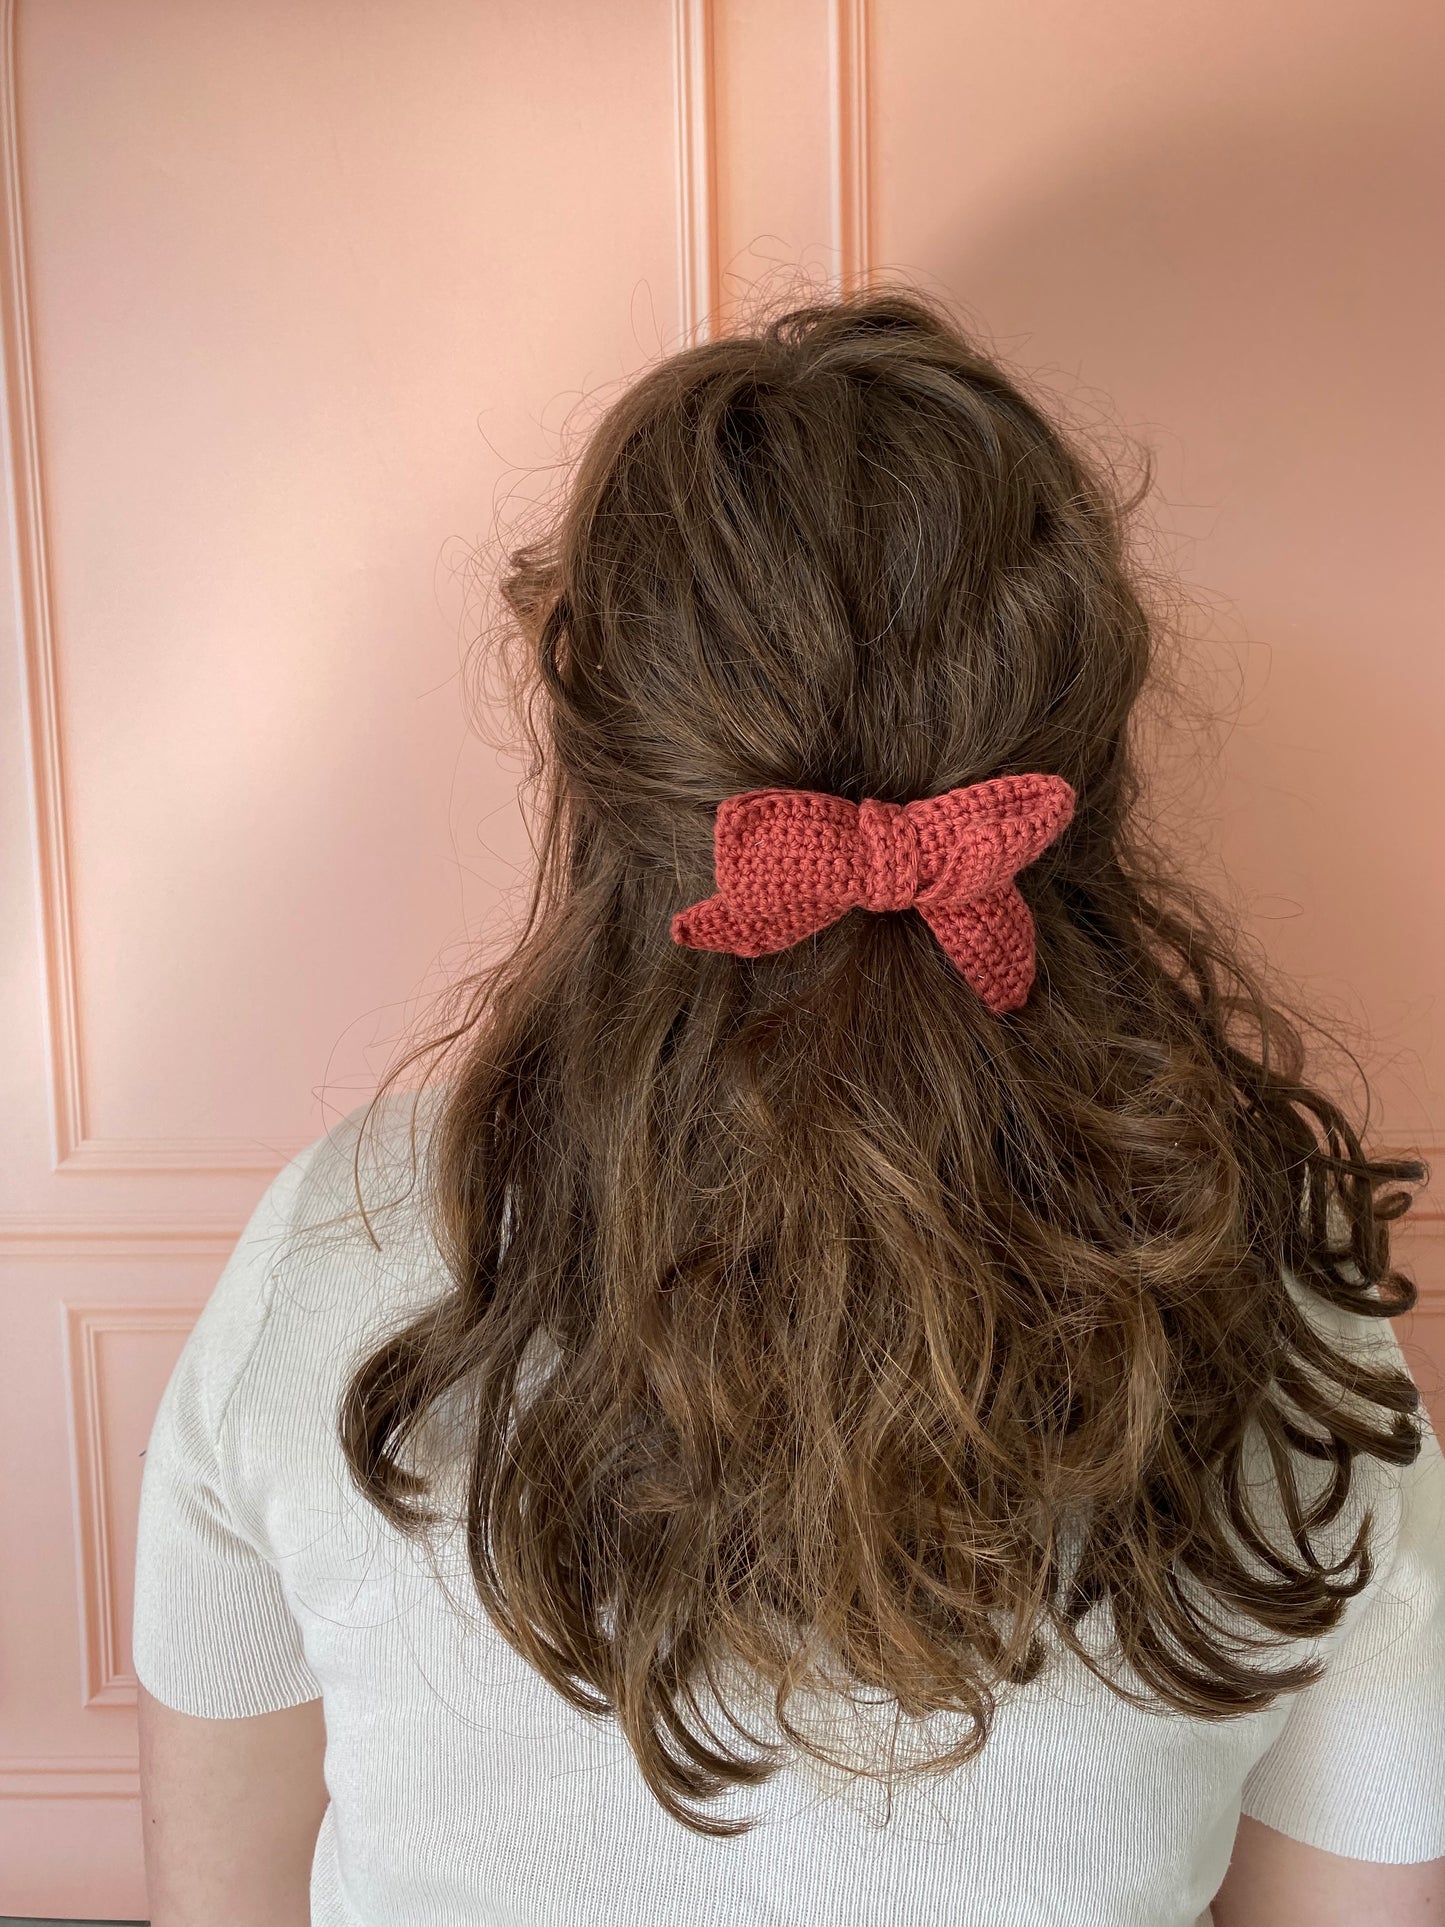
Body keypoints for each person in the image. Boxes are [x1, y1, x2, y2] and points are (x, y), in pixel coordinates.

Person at [132, 288, 1445, 1927]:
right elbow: (1360, 1894)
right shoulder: (1283, 1295)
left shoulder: (337, 1247)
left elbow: (223, 1896)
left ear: (601, 762)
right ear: (1080, 763)